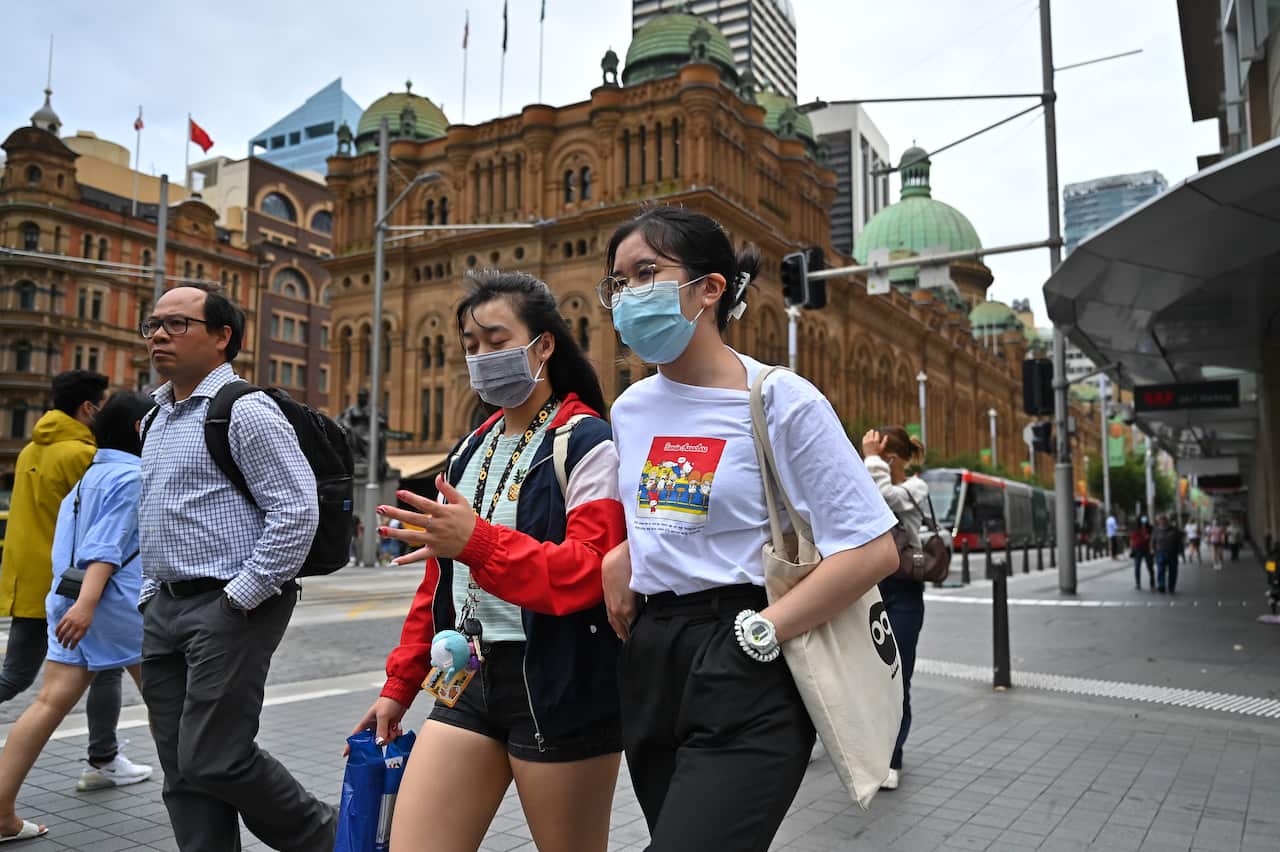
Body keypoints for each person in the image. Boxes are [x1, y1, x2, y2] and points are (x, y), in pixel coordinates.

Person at [599, 207, 899, 850]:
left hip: (748, 649)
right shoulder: (629, 409)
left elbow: (874, 549)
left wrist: (763, 631)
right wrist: (624, 552)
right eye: (617, 282)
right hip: (653, 658)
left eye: (645, 272)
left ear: (710, 288)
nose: (626, 295)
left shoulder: (780, 399)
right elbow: (672, 513)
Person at [355, 271, 627, 852]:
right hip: (467, 679)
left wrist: (477, 543)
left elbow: (587, 571)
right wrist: (400, 684)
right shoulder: (469, 449)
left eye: (498, 341)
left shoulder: (585, 442)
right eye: (471, 346)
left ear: (544, 344)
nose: (481, 357)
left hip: (561, 683)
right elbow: (438, 582)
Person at [137, 285, 335, 851]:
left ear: (223, 337)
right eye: (153, 325)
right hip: (165, 606)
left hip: (229, 604)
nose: (158, 335)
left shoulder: (244, 410)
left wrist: (239, 597)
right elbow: (155, 512)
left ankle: (336, 838)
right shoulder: (157, 417)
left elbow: (296, 509)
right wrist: (152, 592)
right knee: (181, 768)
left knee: (215, 757)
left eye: (177, 324)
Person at [0, 392, 154, 843]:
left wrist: (78, 604)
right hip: (113, 606)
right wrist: (89, 605)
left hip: (67, 598)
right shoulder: (133, 476)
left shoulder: (87, 477)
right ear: (141, 431)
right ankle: (202, 799)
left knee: (47, 703)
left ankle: (2, 811)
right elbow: (103, 548)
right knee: (170, 707)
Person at [862, 426, 929, 792]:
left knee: (897, 674)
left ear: (893, 459)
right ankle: (868, 749)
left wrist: (871, 460)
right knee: (867, 675)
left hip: (904, 589)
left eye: (882, 458)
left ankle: (893, 756)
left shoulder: (916, 487)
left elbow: (884, 499)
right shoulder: (874, 473)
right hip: (869, 586)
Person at [1153, 515, 1182, 594]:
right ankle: (1161, 586)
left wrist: (1180, 551)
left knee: (1173, 571)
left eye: (1164, 520)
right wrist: (1153, 551)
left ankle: (1171, 587)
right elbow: (1153, 541)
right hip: (1160, 553)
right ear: (1159, 522)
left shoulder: (1174, 530)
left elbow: (1179, 541)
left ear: (1167, 521)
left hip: (1172, 553)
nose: (1162, 522)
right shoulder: (1156, 530)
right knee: (1160, 570)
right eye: (1161, 520)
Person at [1130, 516, 1154, 590]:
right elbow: (1132, 539)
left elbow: (1152, 538)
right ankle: (1138, 583)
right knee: (1137, 567)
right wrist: (1132, 549)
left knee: (1149, 566)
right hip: (1138, 549)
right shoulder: (1136, 529)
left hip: (1147, 549)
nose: (1143, 522)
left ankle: (1152, 582)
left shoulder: (1150, 528)